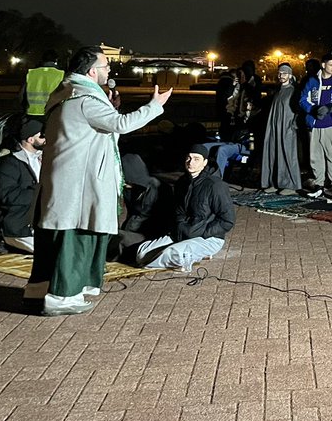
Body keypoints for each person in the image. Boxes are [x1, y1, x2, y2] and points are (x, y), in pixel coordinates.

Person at [25, 46, 171, 316]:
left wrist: (109, 107)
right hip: (77, 186)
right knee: (73, 238)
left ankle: (43, 291)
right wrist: (154, 106)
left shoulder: (69, 93)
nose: (109, 71)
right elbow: (121, 125)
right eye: (105, 66)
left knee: (55, 241)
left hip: (67, 180)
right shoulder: (84, 99)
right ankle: (63, 296)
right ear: (91, 71)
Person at [136, 144, 235, 272]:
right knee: (142, 252)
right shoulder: (182, 183)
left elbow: (228, 220)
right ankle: (168, 259)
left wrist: (203, 232)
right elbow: (178, 211)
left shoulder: (216, 186)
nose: (191, 162)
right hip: (184, 233)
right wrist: (181, 227)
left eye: (196, 159)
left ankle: (188, 256)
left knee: (172, 254)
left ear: (205, 162)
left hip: (208, 238)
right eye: (188, 158)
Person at [0, 117, 45, 254]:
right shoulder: (9, 163)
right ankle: (4, 240)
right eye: (41, 136)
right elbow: (7, 195)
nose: (45, 139)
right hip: (17, 223)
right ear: (30, 139)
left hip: (36, 220)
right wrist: (40, 194)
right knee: (50, 253)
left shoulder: (43, 157)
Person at [302, 52, 332, 198]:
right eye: (331, 65)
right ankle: (319, 184)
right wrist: (312, 109)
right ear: (323, 65)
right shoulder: (312, 81)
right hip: (315, 124)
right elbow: (302, 99)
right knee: (315, 155)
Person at [260, 63, 303, 195]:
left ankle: (290, 184)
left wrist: (293, 124)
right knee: (273, 152)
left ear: (290, 75)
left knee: (287, 154)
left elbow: (298, 110)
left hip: (287, 127)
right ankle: (274, 182)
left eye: (284, 73)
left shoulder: (293, 91)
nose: (281, 76)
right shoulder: (278, 91)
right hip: (274, 127)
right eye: (279, 73)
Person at [20, 50, 64, 117]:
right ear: (56, 60)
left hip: (31, 113)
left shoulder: (31, 73)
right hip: (52, 115)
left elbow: (21, 96)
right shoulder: (61, 74)